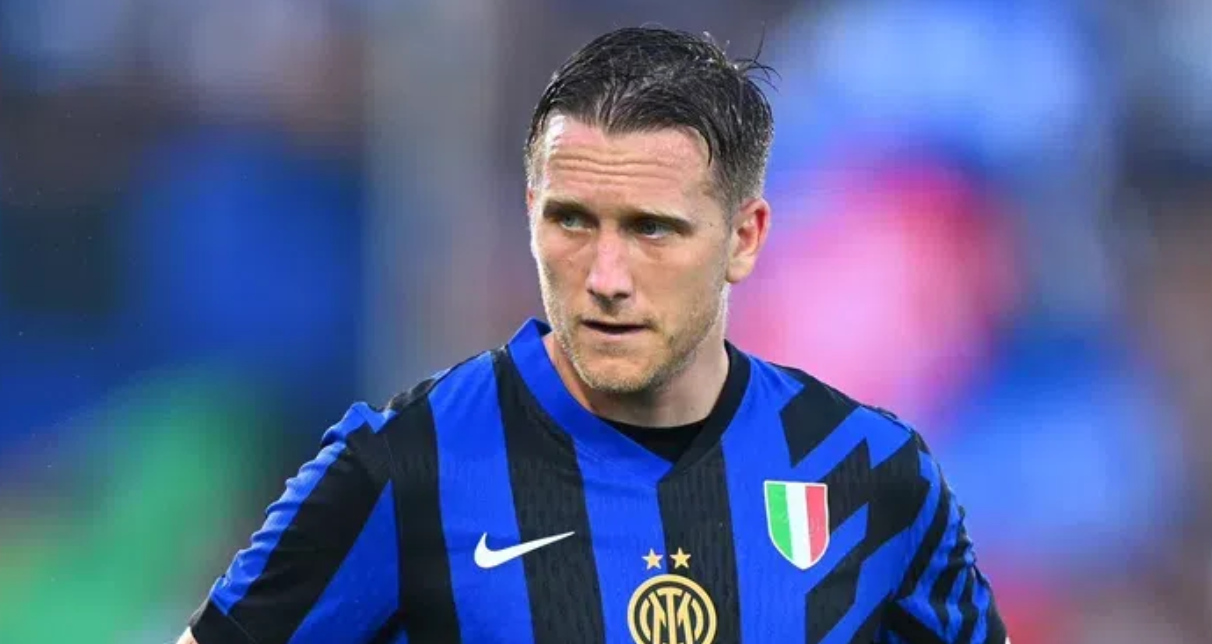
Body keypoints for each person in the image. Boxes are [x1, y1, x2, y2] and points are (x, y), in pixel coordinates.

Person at [179, 26, 1007, 644]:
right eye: (572, 221)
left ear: (744, 238)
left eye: (652, 229)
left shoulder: (874, 475)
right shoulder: (402, 468)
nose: (606, 275)